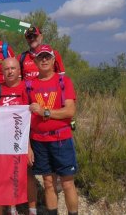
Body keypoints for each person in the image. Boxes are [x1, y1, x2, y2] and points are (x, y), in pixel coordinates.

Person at [28, 45, 78, 215]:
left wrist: (45, 112)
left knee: (67, 183)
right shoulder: (29, 85)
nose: (44, 60)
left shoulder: (63, 82)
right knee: (48, 183)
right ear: (35, 61)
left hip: (61, 140)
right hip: (39, 141)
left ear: (53, 60)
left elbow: (70, 111)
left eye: (47, 57)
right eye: (40, 57)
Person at [0, 58, 37, 215]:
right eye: (6, 69)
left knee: (28, 175)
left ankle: (32, 209)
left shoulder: (26, 88)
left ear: (19, 71)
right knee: (10, 173)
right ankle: (12, 207)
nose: (10, 71)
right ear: (3, 72)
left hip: (24, 138)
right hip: (4, 140)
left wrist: (28, 146)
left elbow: (30, 117)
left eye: (13, 68)